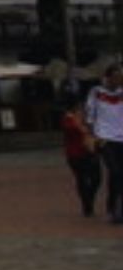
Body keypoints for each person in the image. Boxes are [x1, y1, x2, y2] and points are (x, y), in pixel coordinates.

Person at [84, 64, 123, 224]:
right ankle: (112, 208)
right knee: (115, 171)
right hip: (104, 138)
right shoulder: (96, 92)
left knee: (120, 174)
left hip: (121, 138)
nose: (119, 80)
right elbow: (90, 115)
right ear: (107, 78)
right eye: (116, 77)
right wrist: (92, 135)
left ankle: (116, 207)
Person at [60, 89, 101, 217]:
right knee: (82, 178)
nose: (81, 107)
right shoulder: (68, 119)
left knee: (97, 179)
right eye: (79, 105)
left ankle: (89, 200)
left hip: (90, 151)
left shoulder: (84, 117)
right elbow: (74, 130)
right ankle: (87, 205)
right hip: (76, 154)